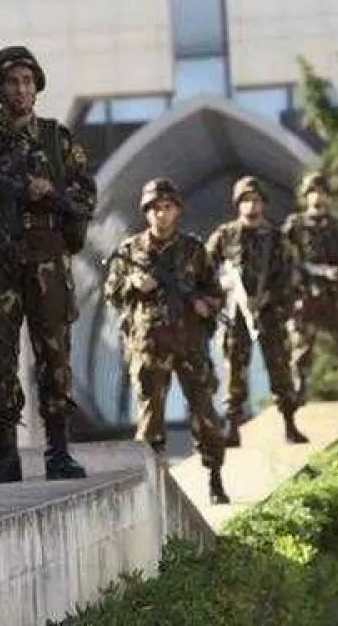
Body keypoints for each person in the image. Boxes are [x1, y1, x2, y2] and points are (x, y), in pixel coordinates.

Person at [0, 46, 95, 484]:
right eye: (12, 81)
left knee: (55, 353)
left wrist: (48, 192)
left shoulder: (56, 139)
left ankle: (58, 449)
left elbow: (85, 198)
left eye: (28, 81)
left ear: (37, 87)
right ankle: (5, 453)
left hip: (46, 260)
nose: (21, 89)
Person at [100, 178, 229, 505]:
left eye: (167, 207)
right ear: (147, 213)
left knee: (205, 415)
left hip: (189, 343)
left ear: (177, 211)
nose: (161, 214)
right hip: (149, 345)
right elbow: (110, 293)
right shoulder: (130, 251)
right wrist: (133, 284)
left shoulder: (193, 250)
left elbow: (215, 292)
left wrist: (205, 304)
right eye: (155, 208)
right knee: (150, 420)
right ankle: (152, 487)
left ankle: (215, 478)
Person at [206, 177, 307, 447]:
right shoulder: (225, 235)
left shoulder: (276, 239)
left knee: (280, 370)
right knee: (235, 371)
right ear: (238, 204)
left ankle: (289, 424)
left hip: (270, 313)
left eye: (256, 200)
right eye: (246, 200)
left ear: (263, 203)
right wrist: (222, 286)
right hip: (236, 314)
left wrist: (270, 297)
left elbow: (290, 276)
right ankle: (232, 426)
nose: (251, 206)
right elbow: (203, 269)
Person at [284, 172, 338, 402]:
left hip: (334, 293)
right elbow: (288, 259)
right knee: (302, 346)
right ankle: (299, 386)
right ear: (305, 197)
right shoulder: (295, 226)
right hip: (307, 293)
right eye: (312, 193)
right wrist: (318, 271)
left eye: (321, 192)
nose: (317, 198)